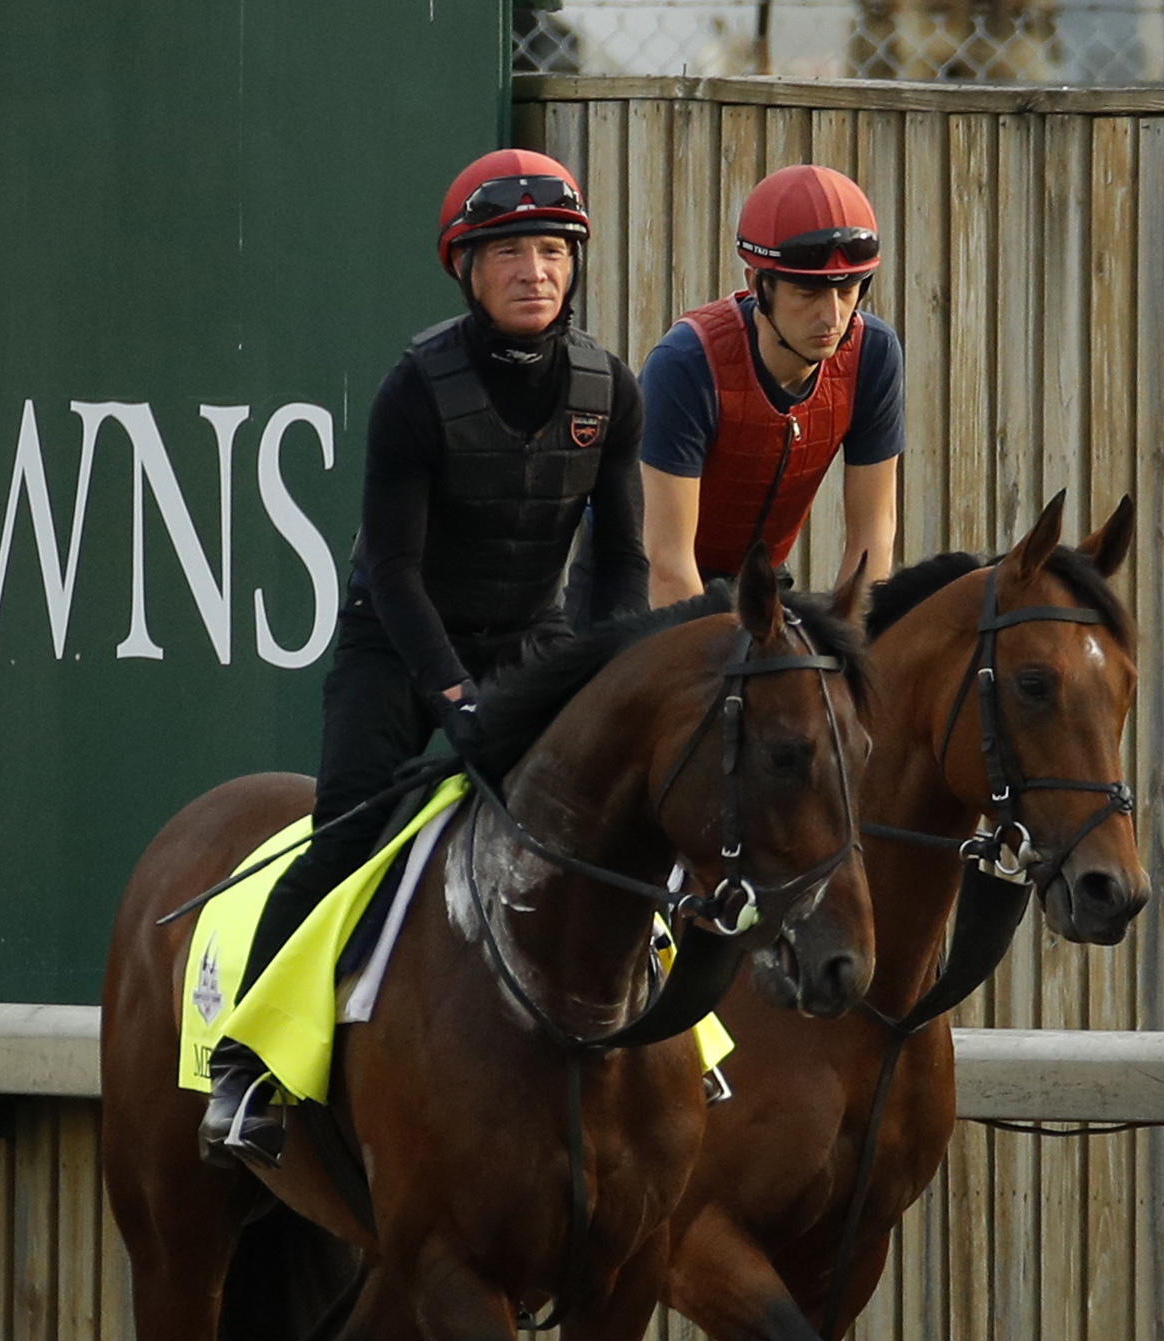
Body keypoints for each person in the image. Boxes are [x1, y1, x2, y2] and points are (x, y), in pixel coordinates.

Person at [202, 149, 648, 1168]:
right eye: (506, 254)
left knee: (624, 823)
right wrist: (455, 699)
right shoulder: (414, 389)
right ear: (464, 268)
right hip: (395, 646)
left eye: (550, 250)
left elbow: (621, 563)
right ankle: (243, 1069)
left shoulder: (609, 390)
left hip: (528, 644)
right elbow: (394, 573)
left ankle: (684, 1044)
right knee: (347, 834)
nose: (532, 270)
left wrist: (595, 679)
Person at [638, 164, 904, 607]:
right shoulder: (686, 365)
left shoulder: (872, 354)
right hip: (642, 580)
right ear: (758, 285)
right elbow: (667, 562)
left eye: (846, 291)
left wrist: (848, 644)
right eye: (808, 293)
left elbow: (874, 533)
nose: (832, 317)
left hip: (759, 581)